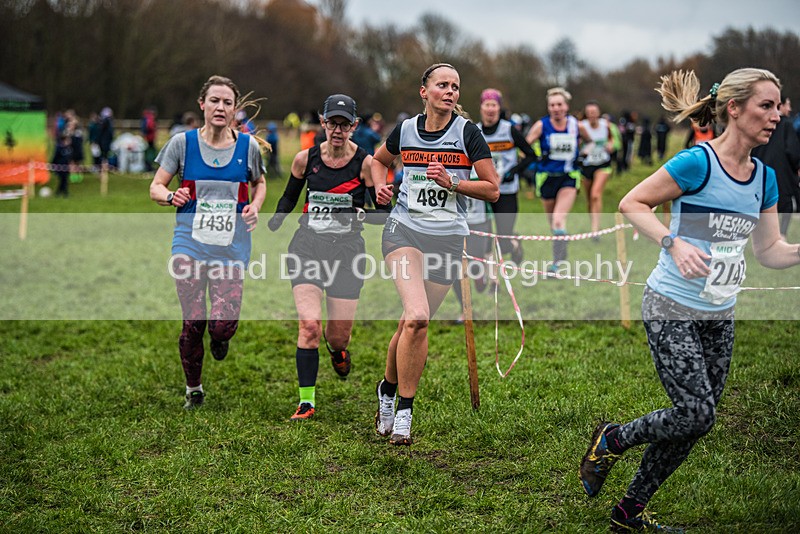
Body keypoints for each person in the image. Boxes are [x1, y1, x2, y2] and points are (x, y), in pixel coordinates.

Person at [580, 68, 800, 532]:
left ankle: (628, 512)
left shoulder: (765, 177)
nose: (777, 115)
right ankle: (613, 439)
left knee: (695, 421)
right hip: (670, 306)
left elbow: (769, 251)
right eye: (766, 105)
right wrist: (672, 243)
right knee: (696, 412)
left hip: (720, 315)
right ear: (734, 109)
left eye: (779, 106)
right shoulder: (698, 162)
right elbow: (632, 203)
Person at [370, 63, 500, 446]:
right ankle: (405, 411)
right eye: (442, 84)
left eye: (456, 86)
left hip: (446, 239)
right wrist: (381, 188)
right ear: (423, 90)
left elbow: (493, 189)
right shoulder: (406, 130)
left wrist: (455, 182)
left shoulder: (467, 134)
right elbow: (378, 161)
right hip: (404, 231)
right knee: (418, 316)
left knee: (411, 326)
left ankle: (386, 390)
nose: (450, 91)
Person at [266, 94, 391, 421]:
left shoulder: (365, 163)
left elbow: (382, 214)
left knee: (337, 336)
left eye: (344, 124)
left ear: (354, 126)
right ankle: (306, 402)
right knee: (309, 326)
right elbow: (289, 197)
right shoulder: (305, 159)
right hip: (307, 246)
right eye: (331, 123)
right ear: (322, 123)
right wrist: (276, 218)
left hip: (347, 252)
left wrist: (375, 205)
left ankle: (337, 351)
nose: (337, 130)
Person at [149, 75, 266, 410]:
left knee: (222, 326)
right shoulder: (182, 144)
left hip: (231, 247)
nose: (220, 107)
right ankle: (194, 389)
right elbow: (156, 186)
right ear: (202, 104)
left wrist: (255, 207)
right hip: (189, 243)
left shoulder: (248, 147)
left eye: (227, 102)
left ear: (235, 109)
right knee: (193, 320)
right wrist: (172, 195)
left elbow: (259, 184)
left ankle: (220, 337)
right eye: (214, 100)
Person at [525, 87, 590, 272]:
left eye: (559, 104)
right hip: (546, 178)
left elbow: (591, 142)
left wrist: (583, 153)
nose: (556, 108)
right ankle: (560, 252)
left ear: (566, 106)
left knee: (559, 220)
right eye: (552, 105)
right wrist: (535, 156)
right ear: (548, 107)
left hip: (568, 177)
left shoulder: (576, 125)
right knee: (553, 224)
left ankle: (557, 264)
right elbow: (525, 146)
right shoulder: (541, 125)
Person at [478, 88, 538, 267]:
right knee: (486, 239)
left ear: (499, 108)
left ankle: (514, 244)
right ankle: (493, 282)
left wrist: (514, 171)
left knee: (503, 239)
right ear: (481, 108)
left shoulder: (509, 130)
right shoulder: (474, 131)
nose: (490, 109)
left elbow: (531, 155)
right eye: (487, 105)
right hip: (483, 192)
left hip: (506, 191)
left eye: (494, 105)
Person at [752, 95, 800, 238]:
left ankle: (763, 236)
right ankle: (781, 236)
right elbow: (793, 152)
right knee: (785, 208)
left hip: (759, 177)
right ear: (780, 105)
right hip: (782, 178)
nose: (790, 109)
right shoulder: (786, 125)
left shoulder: (757, 126)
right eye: (788, 105)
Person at [579, 101, 615, 238]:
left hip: (603, 163)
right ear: (586, 115)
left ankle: (595, 230)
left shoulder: (606, 125)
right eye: (589, 113)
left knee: (595, 194)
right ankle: (594, 224)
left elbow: (612, 139)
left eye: (594, 112)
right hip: (587, 165)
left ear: (598, 113)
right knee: (589, 199)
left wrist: (611, 145)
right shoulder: (581, 126)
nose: (592, 115)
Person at [51, 133, 72, 197]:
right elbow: (55, 157)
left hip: (66, 167)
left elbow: (69, 157)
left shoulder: (68, 148)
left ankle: (59, 192)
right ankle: (64, 192)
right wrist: (53, 165)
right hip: (60, 167)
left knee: (64, 180)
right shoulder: (59, 148)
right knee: (63, 180)